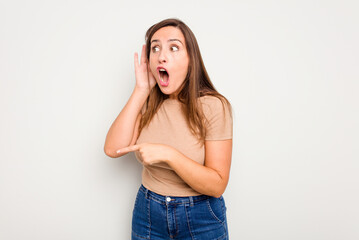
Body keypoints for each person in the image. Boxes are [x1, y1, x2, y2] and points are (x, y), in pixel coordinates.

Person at [104, 18, 233, 240]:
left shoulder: (214, 106)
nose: (162, 55)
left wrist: (169, 155)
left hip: (201, 215)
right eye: (155, 48)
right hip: (148, 211)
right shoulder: (147, 102)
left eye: (174, 48)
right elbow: (113, 149)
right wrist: (141, 89)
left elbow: (217, 184)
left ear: (191, 60)